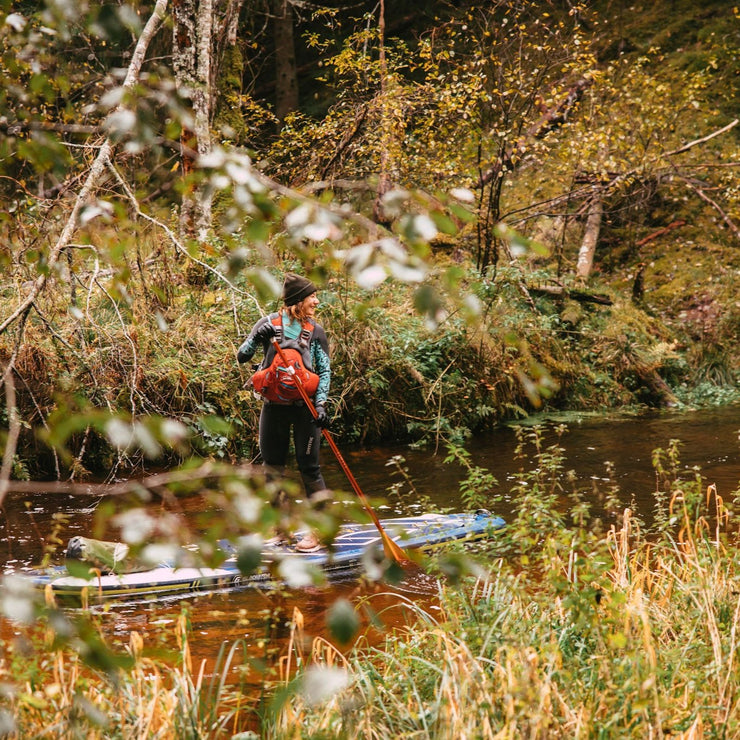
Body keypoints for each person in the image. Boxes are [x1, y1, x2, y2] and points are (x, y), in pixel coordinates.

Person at [237, 273, 331, 551]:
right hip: (273, 409)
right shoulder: (267, 324)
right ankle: (281, 531)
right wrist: (256, 337)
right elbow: (242, 356)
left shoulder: (315, 331)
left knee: (310, 469)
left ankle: (320, 532)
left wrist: (322, 403)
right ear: (297, 301)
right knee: (273, 470)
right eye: (311, 296)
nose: (316, 300)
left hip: (305, 410)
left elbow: (324, 370)